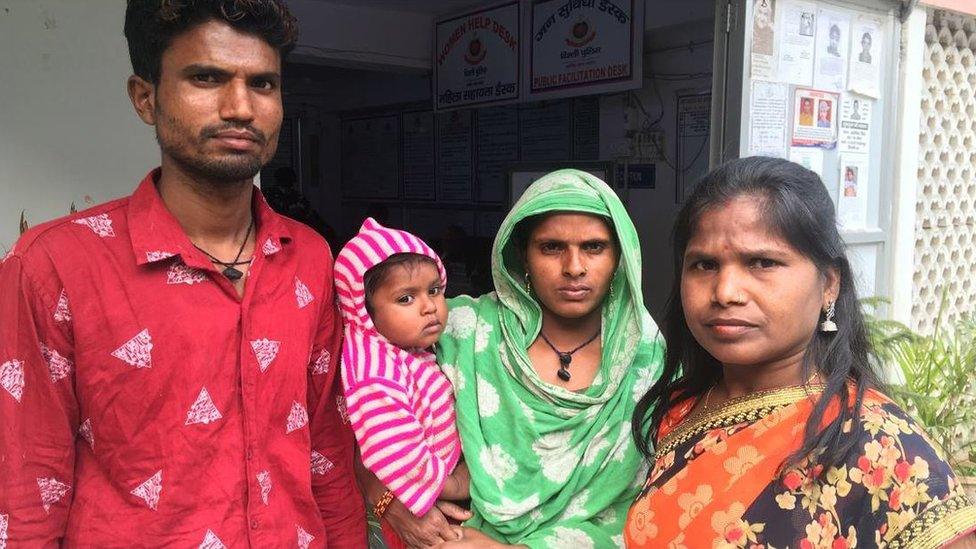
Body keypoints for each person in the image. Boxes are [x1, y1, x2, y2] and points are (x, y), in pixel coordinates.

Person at [0, 1, 365, 546]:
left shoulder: (308, 256)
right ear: (145, 97)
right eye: (207, 78)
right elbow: (29, 489)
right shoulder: (55, 265)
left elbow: (326, 450)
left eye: (263, 84)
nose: (241, 107)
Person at [627, 157, 976, 548]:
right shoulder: (684, 408)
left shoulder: (885, 451)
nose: (725, 292)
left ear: (829, 284)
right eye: (705, 265)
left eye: (762, 262)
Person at [434, 169, 665, 548]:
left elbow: (658, 498)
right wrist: (392, 498)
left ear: (619, 258)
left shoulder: (646, 354)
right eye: (551, 247)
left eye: (594, 247)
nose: (574, 267)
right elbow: (365, 397)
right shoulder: (465, 330)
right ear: (522, 253)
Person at [335, 219, 470, 548]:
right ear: (364, 311)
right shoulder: (373, 372)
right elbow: (394, 450)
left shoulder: (410, 351)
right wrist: (456, 484)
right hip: (408, 513)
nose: (429, 307)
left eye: (434, 290)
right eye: (406, 299)